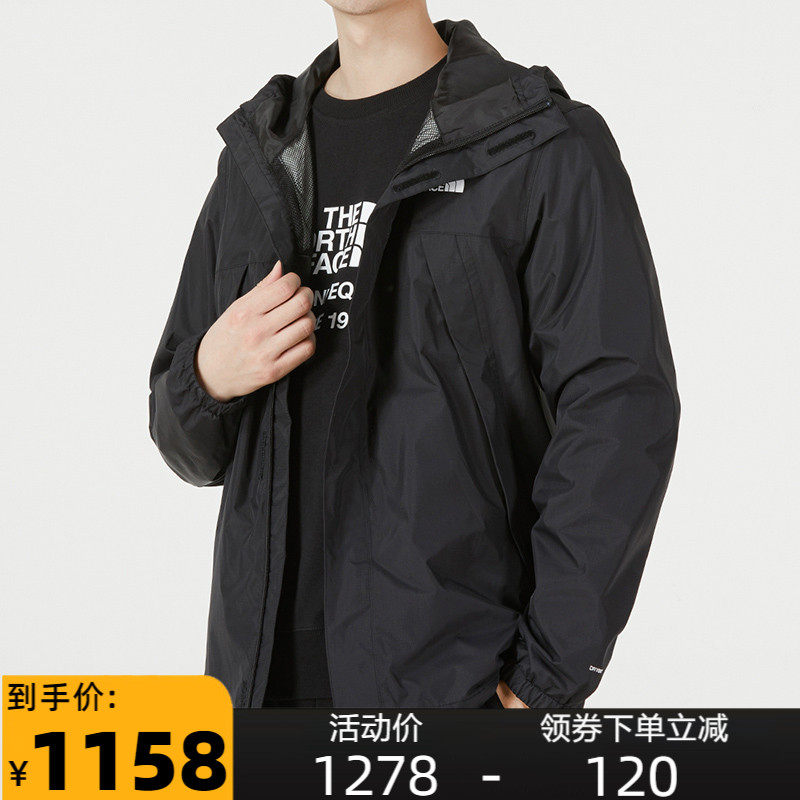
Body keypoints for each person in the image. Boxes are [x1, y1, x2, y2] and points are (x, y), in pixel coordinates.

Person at [149, 1, 679, 710]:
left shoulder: (538, 144)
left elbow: (618, 413)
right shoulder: (258, 159)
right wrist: (209, 375)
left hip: (449, 685)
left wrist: (539, 684)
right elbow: (185, 443)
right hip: (256, 684)